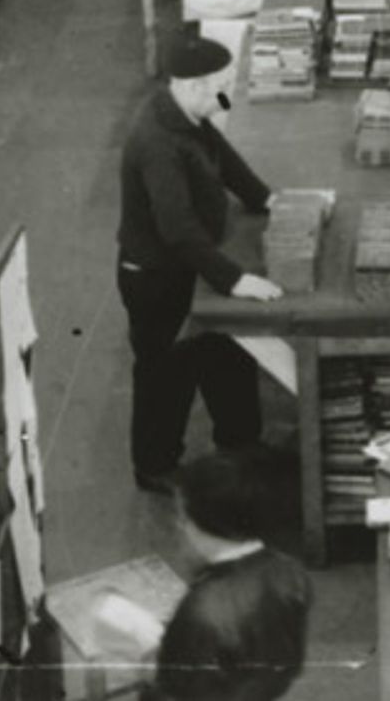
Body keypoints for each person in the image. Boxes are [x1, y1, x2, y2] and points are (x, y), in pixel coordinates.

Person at [118, 36, 284, 494]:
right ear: (192, 87)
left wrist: (267, 198)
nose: (228, 93)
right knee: (167, 370)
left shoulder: (187, 111)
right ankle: (154, 467)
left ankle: (240, 441)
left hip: (189, 263)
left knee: (225, 349)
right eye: (222, 86)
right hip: (156, 276)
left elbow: (223, 155)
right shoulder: (157, 142)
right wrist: (234, 279)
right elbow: (176, 229)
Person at [150, 450, 312, 701]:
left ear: (205, 523)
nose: (178, 525)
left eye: (182, 516)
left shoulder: (199, 610)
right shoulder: (291, 572)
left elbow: (174, 692)